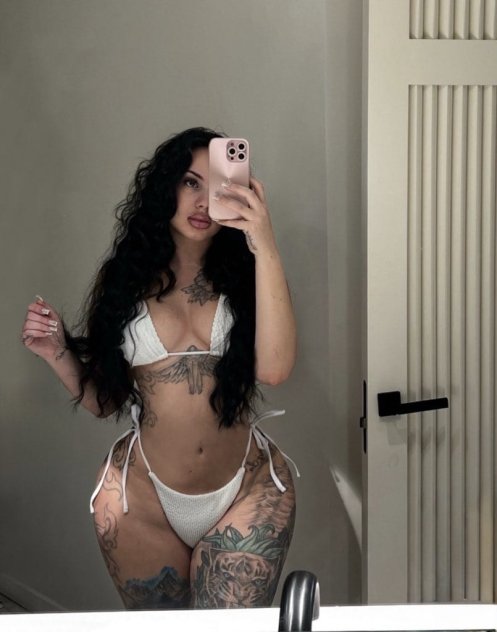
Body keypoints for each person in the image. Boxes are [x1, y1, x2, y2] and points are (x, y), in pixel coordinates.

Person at [21, 127, 297, 609]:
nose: (202, 201)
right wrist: (56, 351)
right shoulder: (125, 280)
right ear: (164, 187)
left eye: (215, 185)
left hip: (246, 491)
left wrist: (265, 243)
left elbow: (274, 370)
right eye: (189, 182)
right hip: (141, 501)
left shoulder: (252, 275)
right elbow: (105, 400)